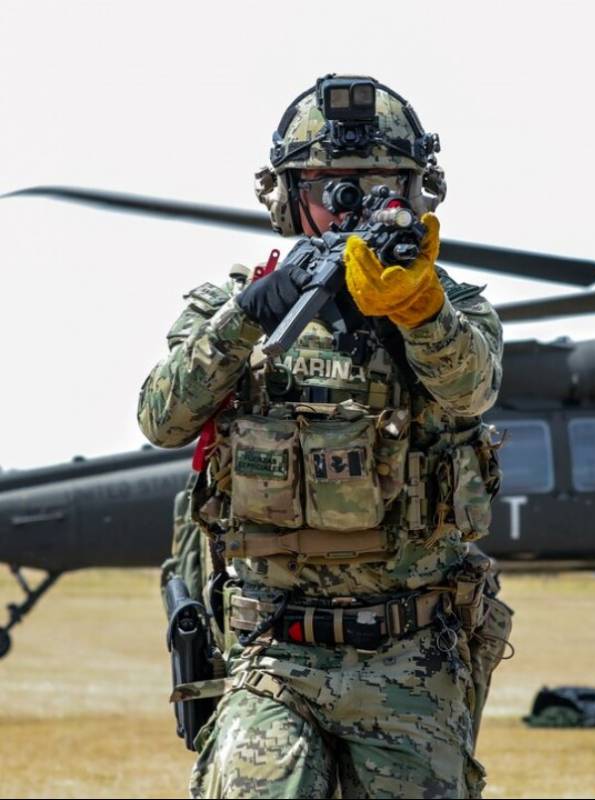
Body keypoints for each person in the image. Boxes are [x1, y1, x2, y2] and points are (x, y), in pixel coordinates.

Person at [141, 75, 507, 798]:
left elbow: (473, 389)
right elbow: (162, 418)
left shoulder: (447, 308)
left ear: (415, 189)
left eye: (375, 184)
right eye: (329, 184)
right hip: (274, 654)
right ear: (285, 196)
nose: (351, 203)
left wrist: (418, 310)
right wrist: (249, 312)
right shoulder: (234, 307)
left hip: (410, 658)